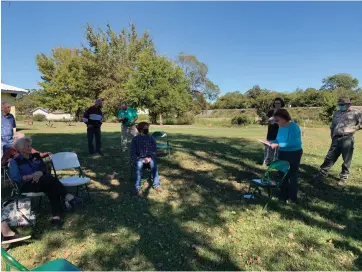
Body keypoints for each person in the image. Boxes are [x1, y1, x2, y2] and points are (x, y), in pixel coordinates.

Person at [8, 137, 82, 227]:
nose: (30, 147)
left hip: (43, 181)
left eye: (30, 145)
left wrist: (39, 173)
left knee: (51, 186)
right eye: (28, 146)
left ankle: (56, 219)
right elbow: (16, 178)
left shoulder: (35, 156)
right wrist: (31, 176)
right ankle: (69, 197)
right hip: (27, 184)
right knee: (50, 180)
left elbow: (44, 169)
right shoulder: (15, 162)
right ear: (21, 148)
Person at [315, 97, 362, 186]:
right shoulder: (336, 112)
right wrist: (332, 134)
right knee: (330, 157)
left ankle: (343, 177)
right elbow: (333, 125)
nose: (340, 106)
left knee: (346, 159)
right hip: (336, 138)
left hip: (347, 138)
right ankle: (322, 173)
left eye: (342, 105)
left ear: (348, 104)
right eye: (339, 105)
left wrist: (354, 128)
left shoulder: (356, 112)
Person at [270, 109, 303, 204]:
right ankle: (283, 194)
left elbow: (292, 142)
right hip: (282, 153)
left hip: (294, 153)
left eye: (277, 120)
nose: (276, 122)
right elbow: (278, 139)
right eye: (275, 120)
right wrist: (272, 143)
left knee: (292, 175)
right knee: (282, 174)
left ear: (285, 118)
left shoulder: (293, 126)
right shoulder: (280, 126)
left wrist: (278, 145)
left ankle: (292, 198)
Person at [130, 122, 160, 195]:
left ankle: (156, 185)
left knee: (154, 164)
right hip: (139, 159)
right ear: (140, 129)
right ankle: (138, 187)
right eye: (145, 128)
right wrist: (139, 159)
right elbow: (132, 152)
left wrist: (150, 158)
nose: (147, 130)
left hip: (149, 158)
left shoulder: (151, 138)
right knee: (139, 165)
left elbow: (154, 150)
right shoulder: (135, 139)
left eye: (147, 128)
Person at [264, 97, 285, 166]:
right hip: (271, 133)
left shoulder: (284, 112)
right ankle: (268, 163)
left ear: (281, 103)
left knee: (279, 150)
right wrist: (270, 120)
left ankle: (277, 163)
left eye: (278, 103)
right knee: (270, 148)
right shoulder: (270, 112)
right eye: (276, 103)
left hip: (280, 134)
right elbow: (266, 121)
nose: (277, 105)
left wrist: (277, 121)